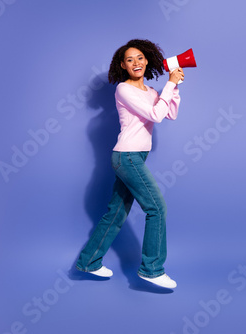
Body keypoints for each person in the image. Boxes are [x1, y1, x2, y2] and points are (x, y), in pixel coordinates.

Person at [75, 39, 184, 289]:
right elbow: (156, 114)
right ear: (123, 66)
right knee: (157, 208)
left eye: (140, 58)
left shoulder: (152, 92)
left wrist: (174, 87)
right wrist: (170, 83)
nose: (136, 62)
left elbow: (170, 113)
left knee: (116, 213)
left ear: (148, 61)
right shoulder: (124, 90)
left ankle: (89, 261)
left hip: (136, 157)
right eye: (129, 59)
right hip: (128, 157)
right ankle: (152, 269)